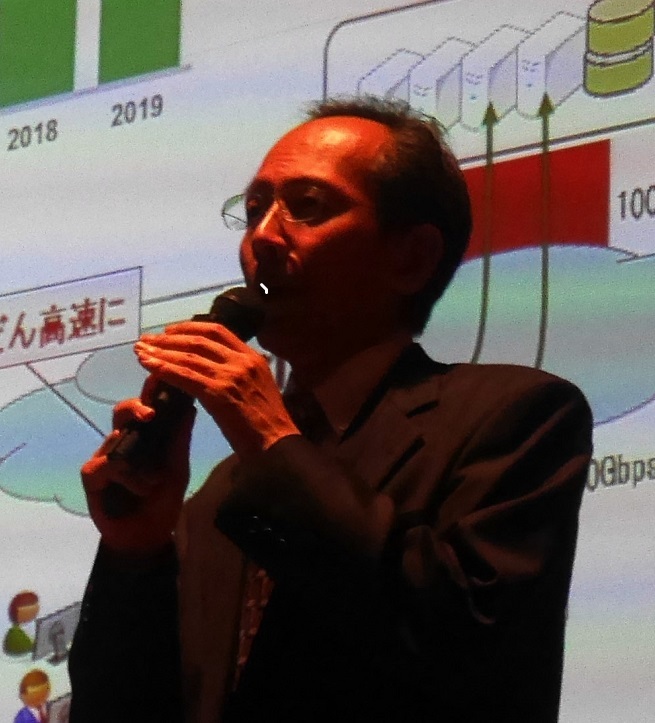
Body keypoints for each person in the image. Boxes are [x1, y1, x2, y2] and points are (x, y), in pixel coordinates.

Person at [69, 96, 593, 722]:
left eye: (308, 206)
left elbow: (468, 641)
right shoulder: (221, 497)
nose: (262, 237)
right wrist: (136, 555)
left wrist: (271, 439)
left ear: (412, 258)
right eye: (254, 210)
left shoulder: (517, 416)